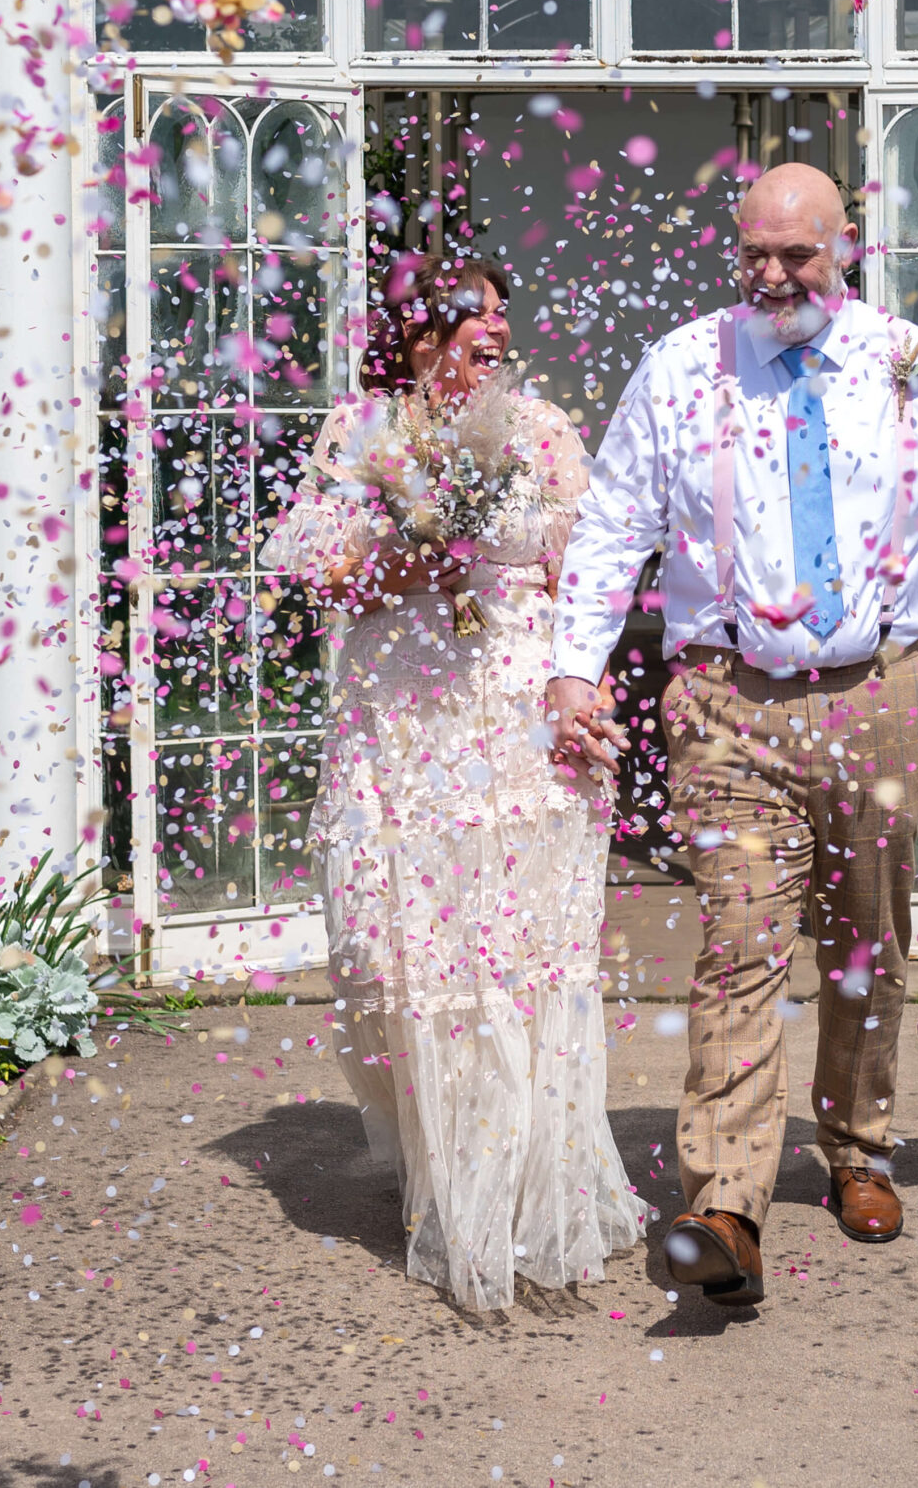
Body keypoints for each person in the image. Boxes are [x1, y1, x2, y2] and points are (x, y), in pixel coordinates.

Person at [544, 162, 918, 1306]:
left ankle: (855, 1144)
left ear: (846, 244)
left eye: (799, 254)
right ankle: (724, 1199)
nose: (775, 276)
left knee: (862, 941)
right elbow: (611, 524)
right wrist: (572, 667)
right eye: (755, 255)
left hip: (873, 690)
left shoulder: (911, 361)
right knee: (739, 942)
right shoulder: (683, 365)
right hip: (724, 698)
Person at [259, 257, 647, 1312]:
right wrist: (411, 557)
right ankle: (449, 1180)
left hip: (521, 721)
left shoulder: (542, 428)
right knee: (411, 949)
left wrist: (587, 692)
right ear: (418, 332)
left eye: (499, 315)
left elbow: (591, 575)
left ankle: (528, 1193)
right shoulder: (361, 430)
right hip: (404, 721)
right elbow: (315, 572)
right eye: (470, 314)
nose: (493, 331)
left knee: (516, 952)